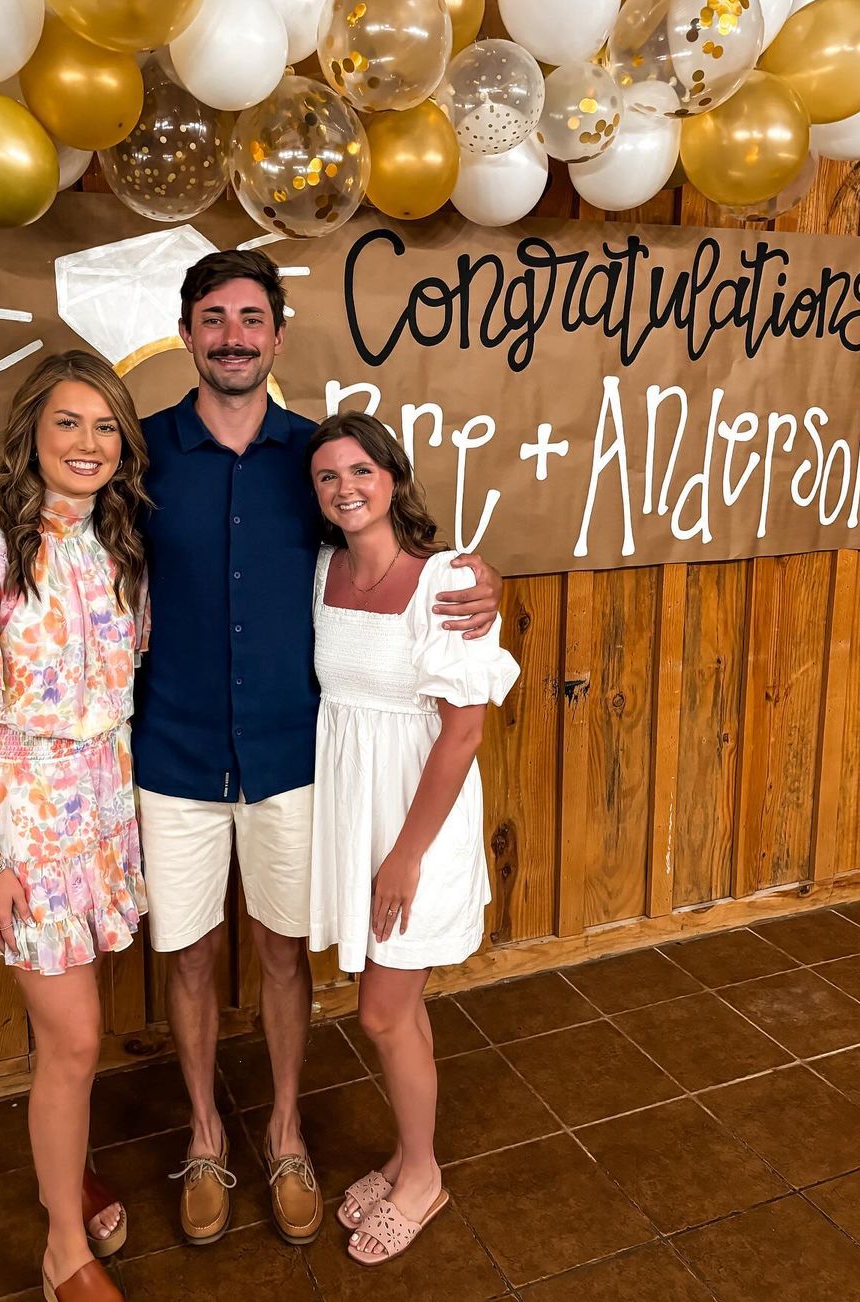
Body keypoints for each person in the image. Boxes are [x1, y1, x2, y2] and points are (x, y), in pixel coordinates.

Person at [0, 249, 503, 1252]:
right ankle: (206, 1135)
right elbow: (25, 516)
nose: (233, 336)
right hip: (170, 758)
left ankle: (285, 1134)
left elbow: (395, 548)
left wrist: (480, 580)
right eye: (213, 319)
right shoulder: (138, 452)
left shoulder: (317, 460)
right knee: (187, 955)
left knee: (280, 953)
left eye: (251, 318)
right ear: (185, 333)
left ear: (277, 334)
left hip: (288, 757)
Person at [0, 351, 150, 1302]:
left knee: (69, 1036)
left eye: (106, 426)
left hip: (103, 811)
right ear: (30, 434)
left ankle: (69, 1171)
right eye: (68, 423)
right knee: (79, 1038)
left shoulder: (118, 544)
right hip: (23, 821)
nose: (88, 443)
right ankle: (63, 1251)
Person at [307, 411, 518, 1267]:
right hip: (354, 811)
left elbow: (462, 733)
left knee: (382, 1011)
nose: (346, 488)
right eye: (328, 476)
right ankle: (406, 1152)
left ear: (392, 477)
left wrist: (405, 855)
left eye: (362, 470)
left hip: (417, 822)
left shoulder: (449, 581)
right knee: (401, 1006)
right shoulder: (321, 570)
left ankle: (423, 1177)